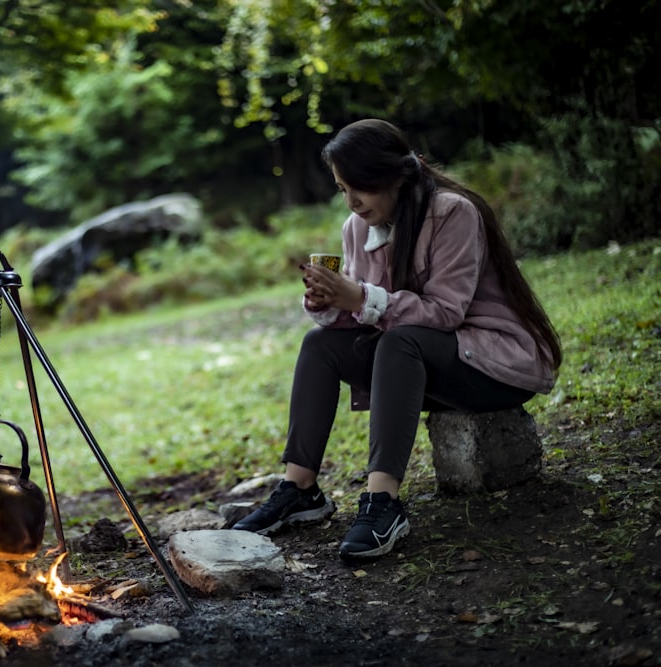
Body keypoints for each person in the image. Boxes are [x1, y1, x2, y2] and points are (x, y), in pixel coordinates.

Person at [232, 118, 562, 562]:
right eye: (342, 189)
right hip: (422, 363)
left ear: (394, 176)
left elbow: (446, 312)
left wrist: (361, 296)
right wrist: (331, 301)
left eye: (359, 188)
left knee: (399, 341)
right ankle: (300, 488)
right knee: (319, 344)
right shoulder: (357, 228)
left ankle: (382, 501)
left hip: (491, 363)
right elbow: (370, 315)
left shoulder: (452, 213)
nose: (351, 202)